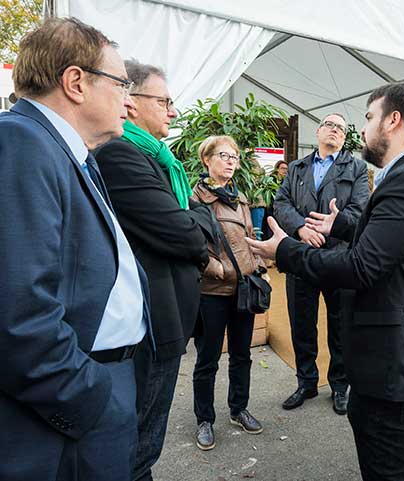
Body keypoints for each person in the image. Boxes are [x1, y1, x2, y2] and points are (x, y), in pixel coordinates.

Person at [247, 82, 404, 481]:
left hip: (395, 363)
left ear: (393, 121)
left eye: (368, 117)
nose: (363, 129)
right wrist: (343, 222)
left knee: (391, 467)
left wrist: (286, 251)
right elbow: (401, 239)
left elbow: (362, 267)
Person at [0, 18, 148, 481]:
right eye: (122, 83)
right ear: (76, 82)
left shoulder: (65, 149)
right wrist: (90, 400)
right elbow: (19, 313)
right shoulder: (21, 142)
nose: (129, 100)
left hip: (97, 383)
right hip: (68, 406)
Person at [94, 60, 209, 481]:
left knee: (145, 437)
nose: (174, 112)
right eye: (165, 101)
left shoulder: (156, 158)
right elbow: (188, 233)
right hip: (151, 323)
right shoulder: (120, 154)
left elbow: (188, 222)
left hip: (166, 316)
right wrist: (199, 226)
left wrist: (195, 221)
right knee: (139, 443)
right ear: (131, 103)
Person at [273, 112, 369, 415]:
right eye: (330, 125)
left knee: (340, 323)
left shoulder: (356, 168)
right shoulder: (297, 168)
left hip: (338, 257)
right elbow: (280, 203)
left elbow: (360, 211)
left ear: (344, 137)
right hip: (301, 253)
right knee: (301, 321)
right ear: (318, 131)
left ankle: (340, 385)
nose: (335, 131)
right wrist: (301, 228)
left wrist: (334, 224)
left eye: (341, 128)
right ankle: (306, 381)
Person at [191, 135, 266, 450]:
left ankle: (238, 408)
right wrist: (210, 265)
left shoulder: (242, 199)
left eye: (234, 156)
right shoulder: (196, 198)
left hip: (244, 288)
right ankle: (204, 419)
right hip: (213, 290)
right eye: (224, 155)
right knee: (207, 358)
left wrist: (260, 264)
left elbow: (250, 238)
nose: (232, 161)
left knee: (242, 354)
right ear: (207, 159)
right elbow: (190, 241)